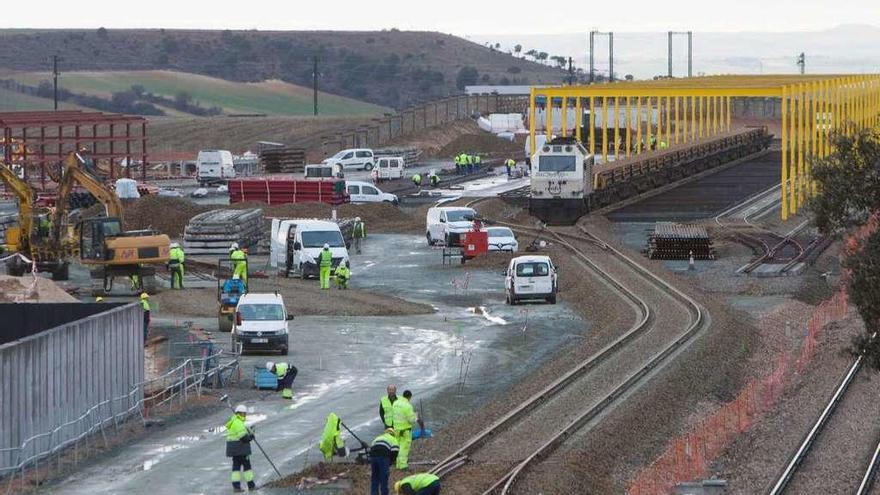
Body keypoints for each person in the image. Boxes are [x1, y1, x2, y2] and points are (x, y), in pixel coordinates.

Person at [225, 404, 256, 492]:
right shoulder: (238, 422)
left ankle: (236, 487)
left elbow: (240, 433)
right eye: (244, 414)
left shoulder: (235, 421)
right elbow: (244, 438)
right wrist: (251, 436)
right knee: (247, 467)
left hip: (233, 449)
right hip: (240, 449)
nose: (245, 415)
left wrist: (248, 431)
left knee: (236, 468)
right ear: (240, 413)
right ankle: (251, 485)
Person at [392, 390, 424, 470]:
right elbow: (411, 420)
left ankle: (398, 464)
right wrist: (416, 416)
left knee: (398, 446)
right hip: (405, 430)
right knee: (404, 447)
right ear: (409, 397)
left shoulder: (395, 403)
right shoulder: (407, 405)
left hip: (396, 429)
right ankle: (403, 466)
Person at [370, 428, 399, 495]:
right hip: (383, 456)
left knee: (374, 477)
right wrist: (391, 462)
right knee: (384, 477)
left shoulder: (378, 437)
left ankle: (374, 493)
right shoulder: (393, 439)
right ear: (393, 434)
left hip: (373, 456)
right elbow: (395, 451)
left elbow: (371, 448)